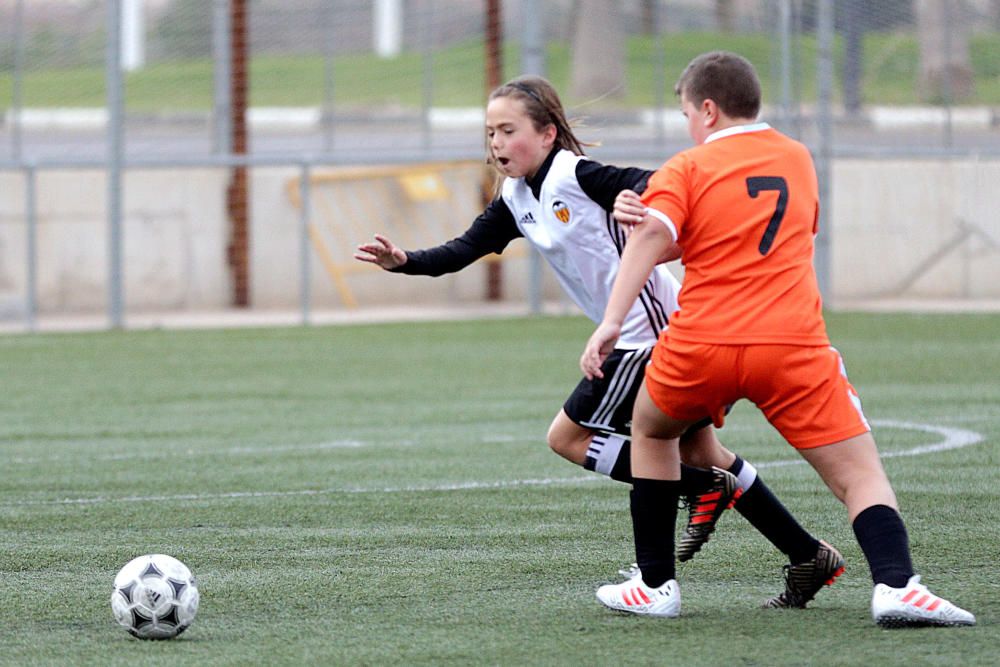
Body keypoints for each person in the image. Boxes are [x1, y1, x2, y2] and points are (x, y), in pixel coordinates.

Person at [356, 74, 843, 608]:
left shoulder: (577, 175)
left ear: (546, 134)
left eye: (507, 130)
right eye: (490, 132)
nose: (496, 143)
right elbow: (462, 250)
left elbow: (663, 181)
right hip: (651, 334)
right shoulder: (515, 197)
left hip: (648, 336)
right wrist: (404, 262)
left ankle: (673, 544)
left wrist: (644, 204)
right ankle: (806, 555)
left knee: (566, 437)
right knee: (703, 452)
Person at [581, 51, 975, 627]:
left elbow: (655, 238)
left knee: (650, 428)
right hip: (791, 345)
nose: (689, 124)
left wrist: (612, 320)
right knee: (859, 473)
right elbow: (747, 237)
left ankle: (656, 585)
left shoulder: (686, 166)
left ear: (709, 110)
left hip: (702, 344)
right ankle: (896, 585)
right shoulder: (798, 158)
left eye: (688, 111)